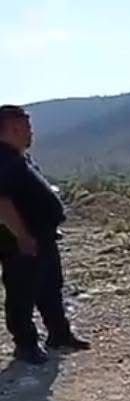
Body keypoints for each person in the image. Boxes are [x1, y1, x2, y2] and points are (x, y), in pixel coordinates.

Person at [0, 105, 90, 365]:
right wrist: (22, 236)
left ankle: (59, 334)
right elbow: (2, 203)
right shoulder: (3, 160)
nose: (31, 132)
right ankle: (26, 344)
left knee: (50, 287)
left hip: (42, 236)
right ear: (13, 128)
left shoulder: (19, 157)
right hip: (20, 241)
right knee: (21, 292)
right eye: (26, 127)